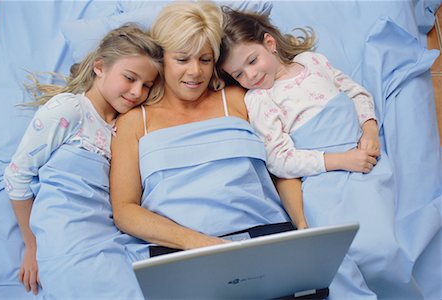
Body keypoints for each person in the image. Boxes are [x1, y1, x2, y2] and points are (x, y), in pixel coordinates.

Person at [218, 8, 420, 299]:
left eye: (253, 60)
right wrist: (339, 161)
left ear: (269, 44)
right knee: (337, 255)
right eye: (238, 74)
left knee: (381, 247)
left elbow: (356, 93)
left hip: (363, 162)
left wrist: (370, 130)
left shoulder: (311, 62)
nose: (251, 74)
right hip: (322, 179)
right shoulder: (260, 99)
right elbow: (278, 159)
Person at [109, 0, 307, 266]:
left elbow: (281, 168)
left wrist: (304, 226)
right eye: (182, 59)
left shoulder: (239, 99)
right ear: (161, 59)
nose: (195, 72)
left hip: (264, 239)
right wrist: (196, 242)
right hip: (181, 253)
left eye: (205, 59)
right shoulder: (134, 121)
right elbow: (124, 210)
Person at [3, 24, 162, 299]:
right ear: (99, 67)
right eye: (129, 78)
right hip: (68, 239)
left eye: (146, 85)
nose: (137, 92)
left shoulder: (123, 126)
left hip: (112, 238)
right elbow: (16, 176)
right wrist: (32, 245)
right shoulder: (69, 109)